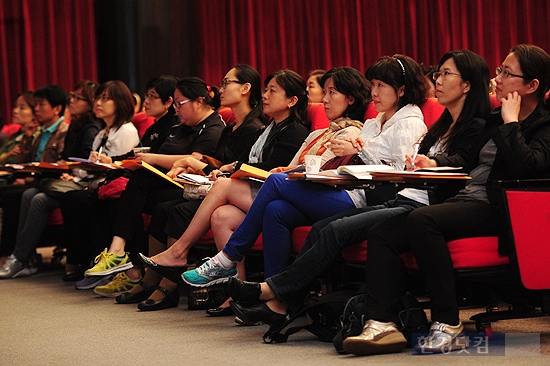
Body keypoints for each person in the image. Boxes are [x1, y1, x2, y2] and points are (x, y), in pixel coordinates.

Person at [227, 50, 491, 336]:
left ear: (467, 84)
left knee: (325, 220)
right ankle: (286, 302)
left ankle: (268, 286)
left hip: (416, 201)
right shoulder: (438, 125)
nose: (437, 80)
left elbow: (455, 163)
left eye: (446, 74)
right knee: (315, 224)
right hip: (398, 196)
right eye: (437, 73)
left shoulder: (465, 125)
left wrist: (426, 162)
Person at [341, 44, 550, 356]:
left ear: (531, 85)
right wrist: (434, 164)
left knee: (422, 219)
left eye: (507, 73)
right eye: (499, 71)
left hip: (503, 208)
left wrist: (511, 122)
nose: (499, 78)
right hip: (469, 199)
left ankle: (446, 321)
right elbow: (466, 160)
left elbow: (527, 167)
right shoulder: (494, 118)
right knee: (383, 231)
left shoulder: (542, 123)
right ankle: (382, 322)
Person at [133, 69, 311, 310]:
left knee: (222, 185)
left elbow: (274, 170)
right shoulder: (267, 129)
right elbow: (252, 164)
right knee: (220, 216)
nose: (265, 96)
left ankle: (179, 251)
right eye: (266, 90)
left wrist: (233, 170)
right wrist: (228, 169)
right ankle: (238, 289)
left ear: (292, 101)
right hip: (256, 193)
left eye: (273, 91)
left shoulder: (295, 130)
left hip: (278, 195)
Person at [115, 64, 266, 309]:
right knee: (162, 208)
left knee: (177, 210)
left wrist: (197, 164)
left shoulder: (254, 128)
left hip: (232, 194)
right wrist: (198, 167)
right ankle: (153, 276)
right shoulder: (231, 127)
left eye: (228, 83)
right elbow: (219, 164)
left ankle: (168, 286)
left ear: (246, 89)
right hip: (214, 188)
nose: (221, 88)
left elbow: (241, 170)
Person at [83, 77, 225, 297]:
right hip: (169, 183)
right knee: (124, 197)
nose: (176, 109)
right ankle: (133, 269)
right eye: (175, 104)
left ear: (198, 101)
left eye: (179, 103)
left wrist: (154, 159)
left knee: (139, 187)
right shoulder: (180, 127)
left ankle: (121, 255)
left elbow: (194, 162)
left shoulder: (213, 127)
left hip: (192, 188)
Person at [0, 80, 140, 279]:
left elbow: (118, 169)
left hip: (105, 184)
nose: (98, 103)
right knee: (33, 193)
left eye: (105, 98)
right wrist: (76, 172)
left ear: (120, 102)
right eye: (98, 98)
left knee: (48, 197)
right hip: (87, 180)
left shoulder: (125, 131)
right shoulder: (101, 132)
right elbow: (89, 166)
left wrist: (84, 170)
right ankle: (23, 258)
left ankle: (78, 261)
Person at [60, 76, 180, 281]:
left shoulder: (174, 128)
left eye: (152, 96)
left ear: (168, 102)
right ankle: (105, 262)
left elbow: (163, 160)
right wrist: (113, 161)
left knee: (118, 196)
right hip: (143, 181)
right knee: (94, 197)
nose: (146, 101)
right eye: (146, 96)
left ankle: (124, 266)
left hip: (167, 184)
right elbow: (133, 157)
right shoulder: (153, 128)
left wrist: (116, 163)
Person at [0, 85, 69, 267]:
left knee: (17, 194)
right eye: (35, 104)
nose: (36, 109)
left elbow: (63, 164)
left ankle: (17, 255)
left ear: (57, 108)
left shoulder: (64, 131)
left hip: (49, 182)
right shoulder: (42, 132)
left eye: (41, 105)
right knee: (11, 192)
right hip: (37, 181)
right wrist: (28, 139)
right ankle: (22, 255)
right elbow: (26, 162)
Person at [0, 91, 39, 166]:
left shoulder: (37, 135)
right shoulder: (14, 136)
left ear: (35, 112)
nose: (15, 111)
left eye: (22, 108)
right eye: (15, 106)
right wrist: (7, 154)